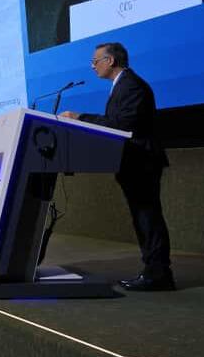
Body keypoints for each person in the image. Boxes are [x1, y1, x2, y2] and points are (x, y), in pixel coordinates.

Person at [59, 42, 174, 291]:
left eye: (95, 61)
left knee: (148, 218)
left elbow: (121, 124)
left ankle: (158, 274)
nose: (92, 66)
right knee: (142, 217)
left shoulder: (131, 85)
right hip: (132, 162)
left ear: (110, 61)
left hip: (141, 161)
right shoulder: (121, 85)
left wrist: (81, 118)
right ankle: (153, 271)